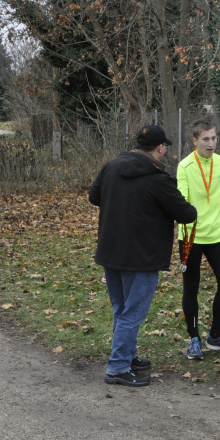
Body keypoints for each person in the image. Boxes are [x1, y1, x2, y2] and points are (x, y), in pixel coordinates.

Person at [89, 125, 197, 387]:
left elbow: (94, 197)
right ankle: (117, 367)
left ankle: (127, 355)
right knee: (132, 313)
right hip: (142, 257)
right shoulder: (158, 180)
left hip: (111, 251)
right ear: (160, 148)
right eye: (165, 147)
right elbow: (187, 214)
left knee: (121, 309)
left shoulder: (111, 167)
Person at [176, 120, 220, 360]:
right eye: (206, 139)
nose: (211, 144)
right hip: (191, 236)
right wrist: (188, 226)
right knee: (191, 287)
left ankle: (215, 336)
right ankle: (194, 338)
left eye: (214, 138)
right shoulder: (184, 166)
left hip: (217, 236)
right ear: (195, 141)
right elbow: (182, 201)